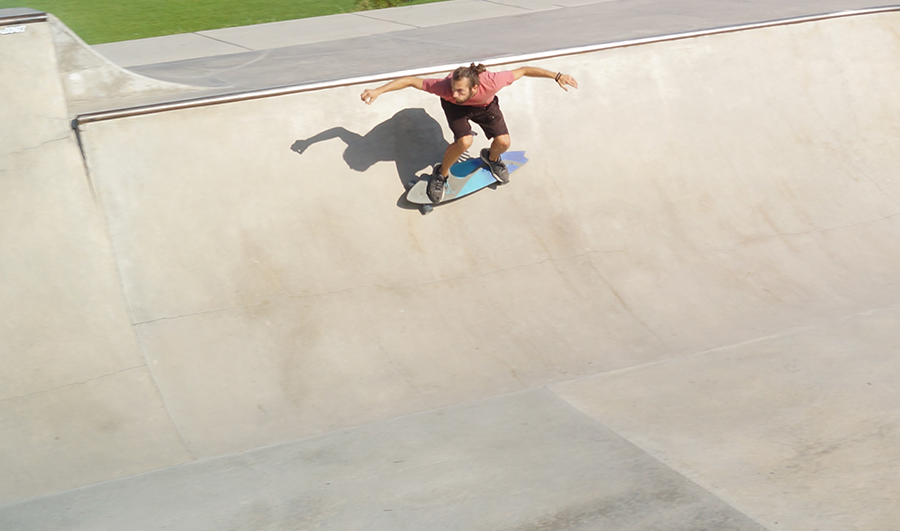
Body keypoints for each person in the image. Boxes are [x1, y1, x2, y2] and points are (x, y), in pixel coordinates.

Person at [360, 63, 578, 202]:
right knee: (464, 142)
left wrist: (556, 75)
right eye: (453, 88)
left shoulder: (493, 81)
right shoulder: (445, 88)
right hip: (456, 112)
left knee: (503, 142)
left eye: (460, 90)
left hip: (486, 107)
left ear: (475, 87)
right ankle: (441, 173)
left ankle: (491, 158)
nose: (454, 93)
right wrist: (378, 91)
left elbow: (523, 71)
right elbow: (410, 81)